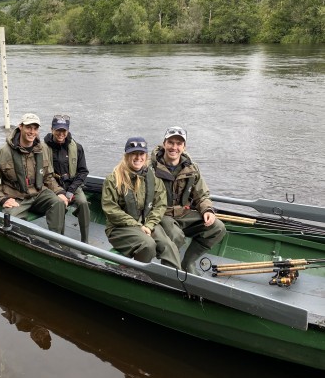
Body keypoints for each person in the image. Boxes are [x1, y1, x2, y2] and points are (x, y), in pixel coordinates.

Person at [151, 126, 226, 274]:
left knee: (217, 228)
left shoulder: (191, 168)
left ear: (184, 147)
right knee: (175, 235)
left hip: (183, 214)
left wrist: (207, 210)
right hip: (160, 215)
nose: (174, 147)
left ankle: (188, 262)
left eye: (179, 144)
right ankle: (169, 270)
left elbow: (202, 194)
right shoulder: (150, 167)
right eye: (171, 142)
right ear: (164, 143)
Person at [101, 137, 182, 268]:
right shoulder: (113, 179)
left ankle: (174, 278)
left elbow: (160, 204)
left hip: (146, 223)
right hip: (120, 227)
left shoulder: (153, 178)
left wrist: (149, 225)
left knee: (167, 245)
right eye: (134, 153)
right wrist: (137, 226)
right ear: (127, 155)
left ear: (146, 156)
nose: (138, 157)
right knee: (148, 245)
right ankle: (133, 273)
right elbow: (111, 210)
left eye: (141, 154)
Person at [0, 113, 69, 234]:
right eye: (29, 127)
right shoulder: (4, 151)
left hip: (39, 193)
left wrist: (59, 192)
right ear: (20, 127)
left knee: (59, 203)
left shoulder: (43, 149)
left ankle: (57, 243)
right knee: (11, 220)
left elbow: (48, 177)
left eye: (35, 128)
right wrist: (3, 199)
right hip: (17, 197)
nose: (32, 132)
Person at [44, 114, 90, 243]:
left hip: (72, 184)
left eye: (63, 130)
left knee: (83, 203)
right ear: (52, 129)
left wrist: (71, 190)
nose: (61, 133)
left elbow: (83, 171)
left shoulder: (77, 147)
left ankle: (85, 241)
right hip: (52, 186)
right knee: (60, 205)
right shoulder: (44, 148)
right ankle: (60, 241)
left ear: (67, 131)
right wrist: (61, 193)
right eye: (58, 130)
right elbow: (43, 174)